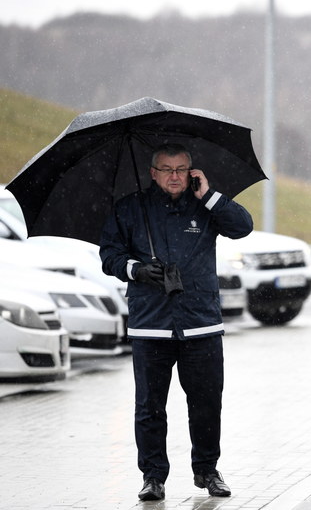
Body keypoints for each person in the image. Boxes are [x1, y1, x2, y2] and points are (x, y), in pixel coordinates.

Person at [100, 144, 253, 501]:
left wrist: (211, 195)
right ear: (152, 172)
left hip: (200, 323)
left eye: (181, 169)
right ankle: (153, 477)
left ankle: (207, 471)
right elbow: (109, 255)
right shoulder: (129, 208)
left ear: (191, 173)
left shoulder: (206, 205)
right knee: (150, 407)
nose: (174, 176)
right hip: (150, 325)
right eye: (167, 169)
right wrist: (135, 269)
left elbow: (243, 226)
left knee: (206, 403)